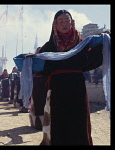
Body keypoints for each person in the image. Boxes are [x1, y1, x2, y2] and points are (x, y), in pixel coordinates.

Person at [34, 10, 103, 145]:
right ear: (55, 24)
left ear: (72, 23)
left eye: (67, 21)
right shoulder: (48, 47)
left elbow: (91, 62)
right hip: (57, 89)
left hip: (77, 88)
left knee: (79, 121)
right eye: (61, 21)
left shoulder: (82, 44)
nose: (64, 24)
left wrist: (101, 43)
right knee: (59, 122)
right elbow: (41, 69)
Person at [29, 47, 47, 130]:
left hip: (45, 81)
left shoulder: (46, 59)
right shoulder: (33, 60)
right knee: (36, 101)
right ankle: (38, 122)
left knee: (44, 101)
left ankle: (45, 122)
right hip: (35, 82)